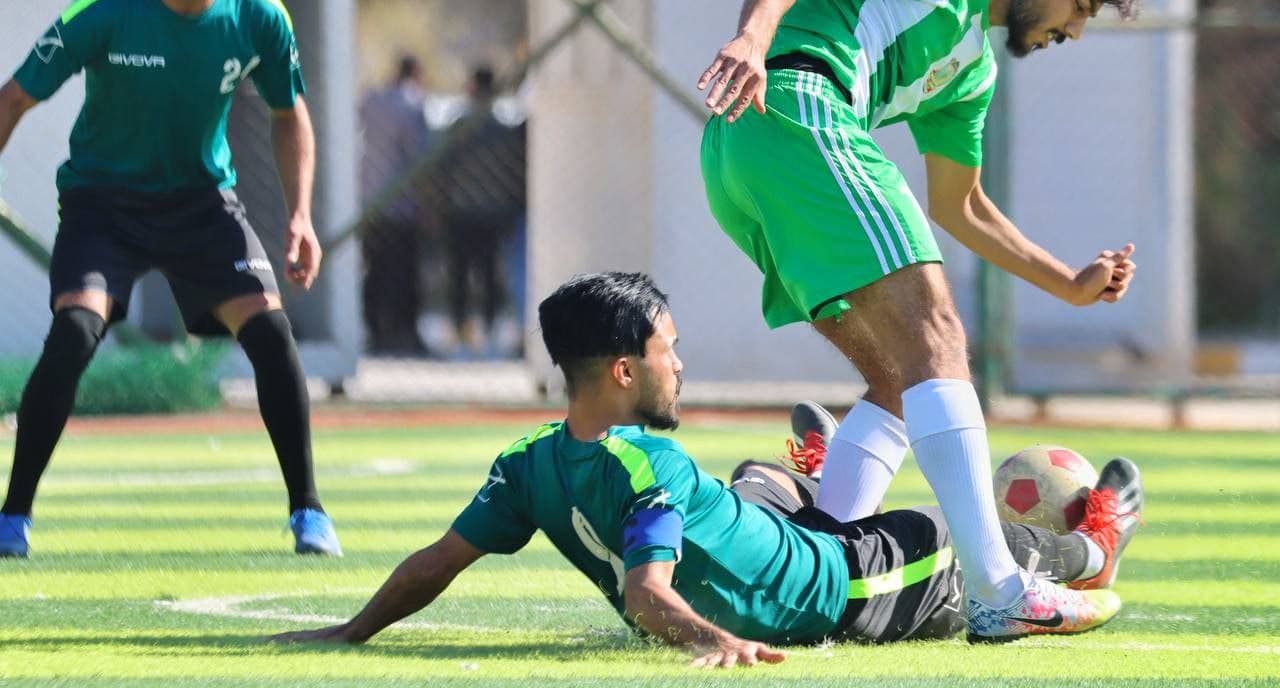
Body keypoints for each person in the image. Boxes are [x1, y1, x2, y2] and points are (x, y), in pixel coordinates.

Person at [269, 273, 1142, 662]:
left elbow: (435, 563)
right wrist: (717, 642)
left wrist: (351, 631)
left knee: (757, 475)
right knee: (959, 536)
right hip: (846, 585)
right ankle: (1091, 545)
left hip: (778, 534)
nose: (680, 366)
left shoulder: (527, 459)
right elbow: (648, 594)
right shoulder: (648, 462)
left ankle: (818, 479)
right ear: (624, 371)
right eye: (669, 352)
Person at [696, 0, 1145, 637]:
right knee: (938, 340)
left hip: (745, 155)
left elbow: (960, 204)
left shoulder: (972, 75)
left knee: (900, 380)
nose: (1074, 30)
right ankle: (999, 589)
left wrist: (1070, 284)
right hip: (796, 109)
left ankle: (813, 573)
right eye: (1081, 5)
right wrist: (751, 37)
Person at [0, 0, 340, 558]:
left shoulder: (259, 14)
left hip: (203, 205)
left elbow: (290, 114)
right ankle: (12, 518)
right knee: (74, 332)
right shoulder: (105, 10)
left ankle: (309, 513)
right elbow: (14, 99)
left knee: (272, 335)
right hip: (103, 205)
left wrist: (300, 214)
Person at [437, 64, 526, 354]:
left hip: (462, 210)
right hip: (491, 211)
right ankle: (486, 329)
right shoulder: (502, 129)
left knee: (460, 274)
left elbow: (443, 169)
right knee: (488, 274)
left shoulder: (459, 126)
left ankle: (460, 329)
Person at [359, 54, 432, 356]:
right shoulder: (412, 102)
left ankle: (376, 331)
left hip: (371, 201)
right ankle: (405, 333)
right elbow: (419, 156)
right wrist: (428, 203)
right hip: (401, 205)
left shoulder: (372, 100)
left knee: (375, 270)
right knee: (404, 273)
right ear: (416, 72)